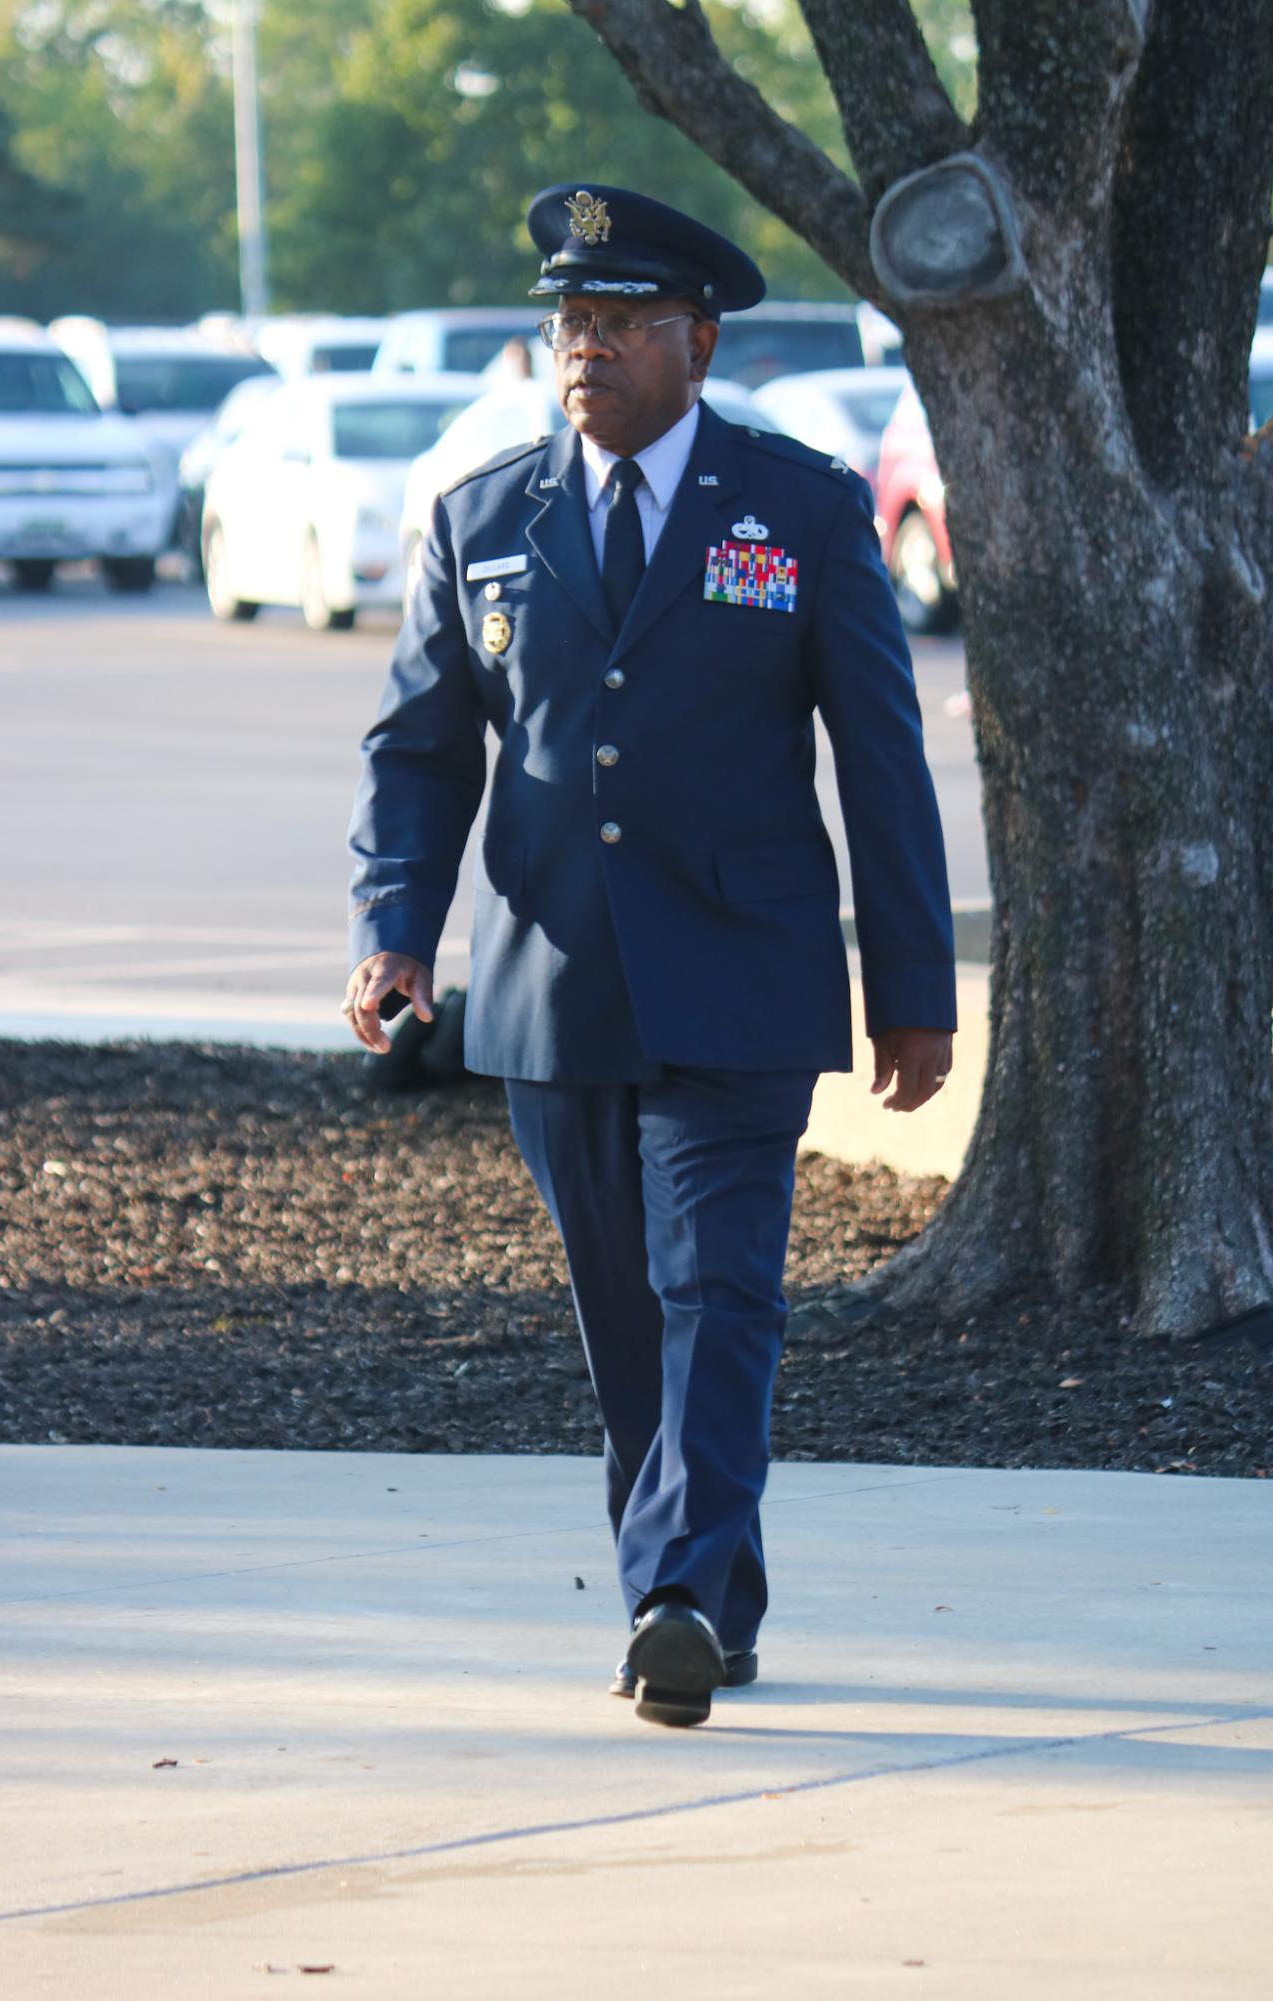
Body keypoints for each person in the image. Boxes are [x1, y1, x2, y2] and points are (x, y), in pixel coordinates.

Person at [344, 183, 956, 1728]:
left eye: (619, 323)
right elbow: (421, 752)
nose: (585, 348)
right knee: (625, 1311)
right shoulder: (482, 516)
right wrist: (396, 933)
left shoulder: (798, 508)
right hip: (554, 983)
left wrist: (912, 989)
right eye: (569, 322)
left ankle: (673, 1592)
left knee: (719, 1287)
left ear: (699, 340)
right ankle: (703, 1599)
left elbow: (880, 760)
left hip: (742, 975)